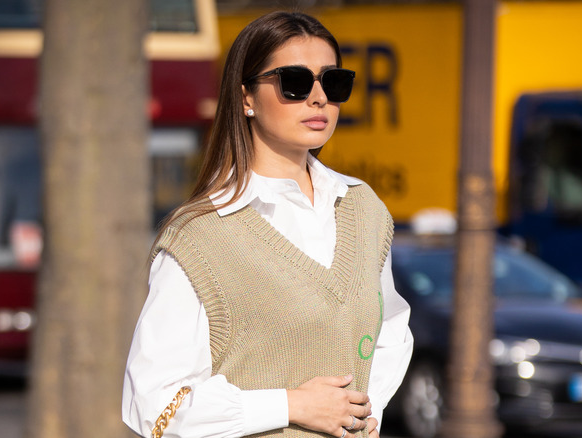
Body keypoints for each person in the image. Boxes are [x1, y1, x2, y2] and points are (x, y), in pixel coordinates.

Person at [122, 11, 413, 438]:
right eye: (294, 82)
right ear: (246, 98)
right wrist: (292, 405)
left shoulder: (364, 208)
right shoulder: (201, 236)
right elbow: (154, 405)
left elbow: (389, 328)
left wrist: (367, 412)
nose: (318, 98)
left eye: (333, 83)